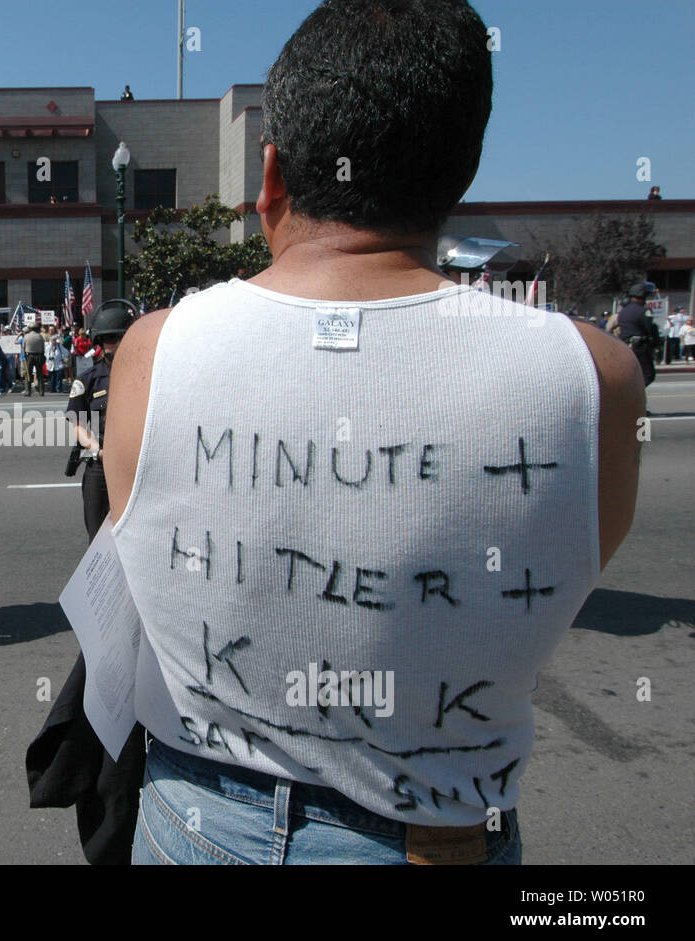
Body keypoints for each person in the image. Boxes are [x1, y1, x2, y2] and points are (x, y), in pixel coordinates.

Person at [99, 0, 644, 865]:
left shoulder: (152, 353)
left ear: (270, 177)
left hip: (196, 819)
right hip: (433, 835)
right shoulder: (596, 379)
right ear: (458, 180)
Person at [67, 300, 137, 539]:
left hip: (134, 466)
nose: (116, 346)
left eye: (121, 339)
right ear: (99, 342)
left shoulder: (146, 375)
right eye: (110, 340)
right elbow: (77, 424)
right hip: (100, 464)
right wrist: (97, 451)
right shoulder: (88, 380)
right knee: (98, 536)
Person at [615, 282, 660, 389]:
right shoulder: (644, 311)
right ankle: (635, 394)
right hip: (639, 347)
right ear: (643, 296)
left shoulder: (623, 312)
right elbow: (649, 329)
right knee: (648, 374)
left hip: (625, 346)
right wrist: (656, 344)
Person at [22, 319, 46, 396]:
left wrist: (25, 356)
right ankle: (41, 391)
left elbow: (23, 347)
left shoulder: (26, 336)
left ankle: (28, 391)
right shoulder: (40, 336)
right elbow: (43, 348)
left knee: (28, 374)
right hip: (39, 355)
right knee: (40, 374)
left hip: (30, 356)